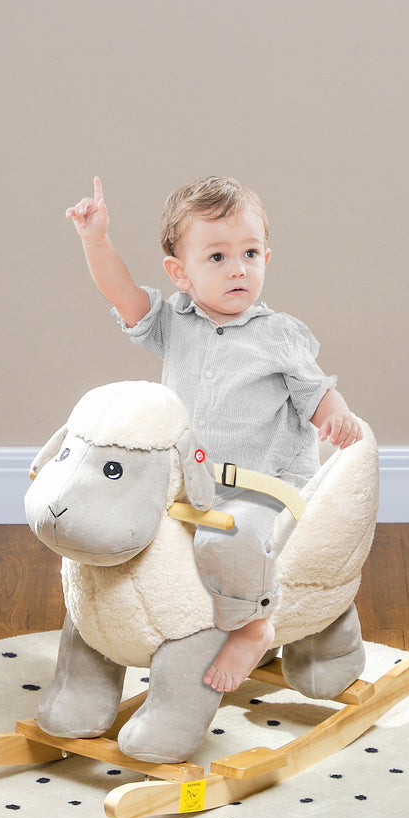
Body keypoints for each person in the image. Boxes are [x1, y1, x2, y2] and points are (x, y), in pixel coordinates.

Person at [66, 175, 362, 692]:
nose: (238, 268)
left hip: (264, 485)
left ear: (266, 258)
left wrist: (336, 418)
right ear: (180, 273)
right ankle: (110, 639)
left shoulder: (279, 334)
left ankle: (251, 627)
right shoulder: (173, 322)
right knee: (121, 526)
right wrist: (96, 239)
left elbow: (315, 391)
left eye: (250, 253)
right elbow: (122, 293)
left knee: (227, 535)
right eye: (218, 257)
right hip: (192, 483)